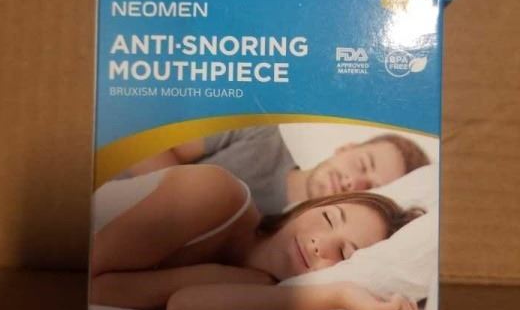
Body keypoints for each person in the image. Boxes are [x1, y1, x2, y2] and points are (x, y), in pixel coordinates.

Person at [91, 164, 422, 310]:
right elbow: (88, 288)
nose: (320, 244)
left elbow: (184, 306)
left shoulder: (263, 287)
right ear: (308, 207)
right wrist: (212, 274)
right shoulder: (216, 192)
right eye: (328, 219)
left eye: (344, 254)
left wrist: (340, 295)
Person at [122, 127, 430, 215]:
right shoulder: (261, 133)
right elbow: (143, 143)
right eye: (363, 164)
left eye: (372, 189)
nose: (355, 181)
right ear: (346, 148)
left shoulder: (294, 246)